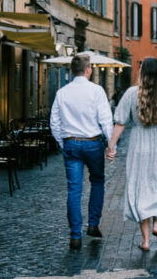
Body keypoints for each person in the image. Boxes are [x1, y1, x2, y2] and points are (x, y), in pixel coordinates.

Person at [105, 58, 157, 252]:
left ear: (142, 73)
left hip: (139, 144)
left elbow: (120, 123)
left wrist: (111, 147)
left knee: (141, 187)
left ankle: (146, 240)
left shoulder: (132, 94)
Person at [50, 53, 114, 250]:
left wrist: (63, 142)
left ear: (72, 70)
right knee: (97, 182)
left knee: (74, 190)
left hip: (71, 143)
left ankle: (75, 236)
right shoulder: (97, 91)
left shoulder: (62, 92)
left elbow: (54, 122)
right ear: (88, 70)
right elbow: (106, 120)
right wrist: (112, 146)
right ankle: (93, 225)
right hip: (93, 143)